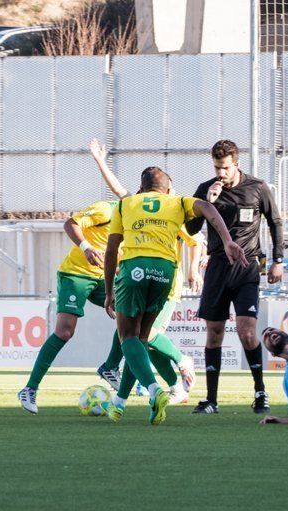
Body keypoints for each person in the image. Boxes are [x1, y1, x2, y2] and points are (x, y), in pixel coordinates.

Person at [103, 166, 247, 426]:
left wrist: (109, 289)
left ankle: (154, 389)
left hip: (134, 266)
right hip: (165, 272)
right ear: (167, 189)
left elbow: (111, 249)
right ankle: (120, 403)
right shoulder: (177, 201)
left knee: (127, 336)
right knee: (142, 338)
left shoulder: (126, 205)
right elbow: (209, 209)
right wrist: (226, 241)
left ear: (142, 187)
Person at [88, 138, 200, 405]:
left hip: (166, 285)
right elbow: (121, 193)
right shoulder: (138, 205)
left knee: (144, 337)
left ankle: (180, 362)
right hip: (142, 278)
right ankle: (168, 388)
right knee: (139, 338)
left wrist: (194, 270)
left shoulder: (172, 207)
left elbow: (197, 242)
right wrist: (100, 162)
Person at [185, 140, 285, 414]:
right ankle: (211, 400)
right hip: (217, 267)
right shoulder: (206, 189)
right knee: (214, 333)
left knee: (246, 331)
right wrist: (208, 202)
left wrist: (278, 260)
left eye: (225, 168)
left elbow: (275, 221)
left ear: (236, 164)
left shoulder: (257, 187)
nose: (221, 173)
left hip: (247, 267)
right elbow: (191, 227)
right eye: (217, 167)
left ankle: (260, 392)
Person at [16, 195, 117, 414]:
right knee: (64, 332)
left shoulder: (138, 222)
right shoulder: (106, 209)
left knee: (130, 317)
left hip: (104, 277)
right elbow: (70, 223)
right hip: (76, 275)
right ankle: (30, 389)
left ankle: (111, 368)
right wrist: (87, 247)